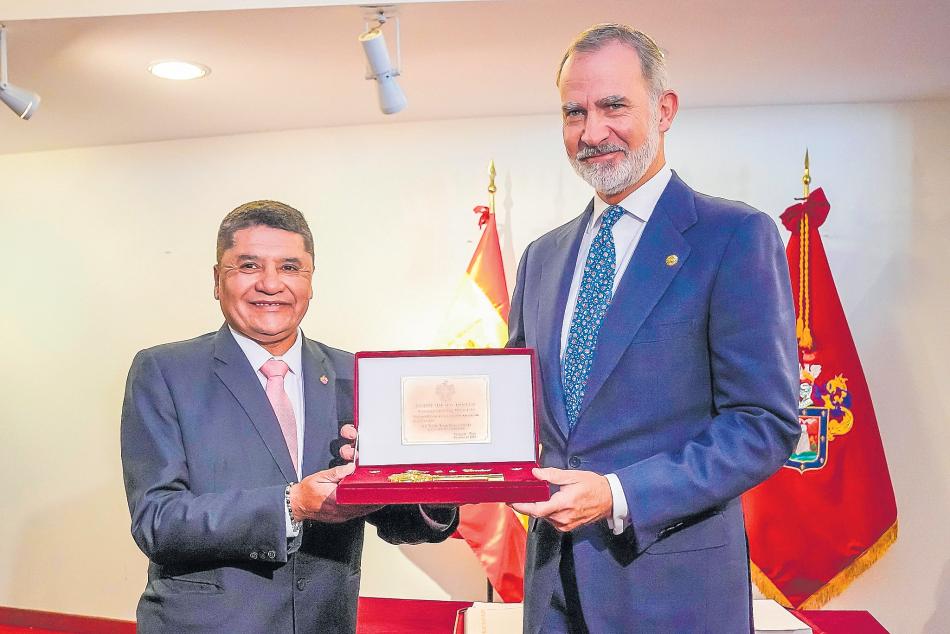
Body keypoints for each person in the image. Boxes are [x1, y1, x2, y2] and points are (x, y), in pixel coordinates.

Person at [509, 24, 800, 632]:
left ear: (664, 110)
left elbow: (762, 423)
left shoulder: (734, 236)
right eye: (574, 112)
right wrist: (408, 451)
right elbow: (513, 414)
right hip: (551, 592)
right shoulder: (541, 257)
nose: (592, 132)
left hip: (674, 595)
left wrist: (617, 494)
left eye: (613, 106)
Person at [121, 200, 457, 633]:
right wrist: (291, 505)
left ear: (310, 281)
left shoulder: (356, 376)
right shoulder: (164, 371)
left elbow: (400, 520)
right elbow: (157, 521)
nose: (270, 284)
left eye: (290, 267)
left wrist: (435, 478)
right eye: (248, 266)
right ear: (217, 280)